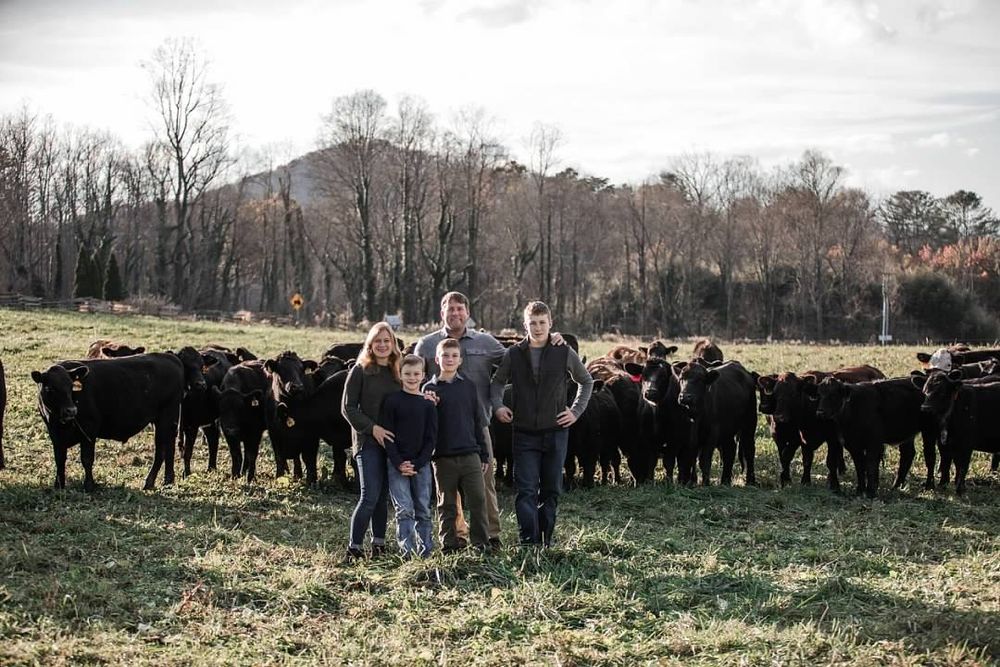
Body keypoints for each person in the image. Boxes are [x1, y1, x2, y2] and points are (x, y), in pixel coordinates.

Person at [414, 291, 568, 548]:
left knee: (483, 485)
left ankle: (490, 536)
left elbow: (517, 357)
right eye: (449, 309)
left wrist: (551, 339)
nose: (455, 313)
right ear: (441, 314)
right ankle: (455, 537)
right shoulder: (426, 345)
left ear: (468, 313)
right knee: (447, 489)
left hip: (478, 424)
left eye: (459, 309)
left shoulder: (486, 343)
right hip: (440, 429)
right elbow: (414, 380)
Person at [490, 301, 593, 547]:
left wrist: (575, 411)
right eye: (532, 323)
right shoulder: (514, 354)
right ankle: (529, 542)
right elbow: (496, 382)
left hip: (556, 432)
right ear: (525, 325)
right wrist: (498, 406)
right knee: (525, 490)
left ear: (550, 323)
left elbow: (586, 381)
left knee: (551, 490)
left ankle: (545, 540)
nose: (537, 328)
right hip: (524, 433)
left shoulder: (563, 352)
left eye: (542, 323)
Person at [341, 322, 402, 560]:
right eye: (378, 341)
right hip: (368, 442)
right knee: (369, 495)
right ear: (370, 344)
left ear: (393, 344)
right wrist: (372, 428)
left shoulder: (398, 370)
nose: (383, 345)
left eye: (387, 341)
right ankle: (354, 547)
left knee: (382, 496)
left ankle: (379, 544)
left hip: (394, 443)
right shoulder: (361, 370)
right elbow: (347, 407)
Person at [424, 338, 491, 552]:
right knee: (447, 503)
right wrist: (429, 406)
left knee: (478, 500)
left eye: (454, 356)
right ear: (437, 359)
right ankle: (449, 544)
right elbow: (425, 423)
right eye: (445, 355)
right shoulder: (429, 389)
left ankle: (480, 543)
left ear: (460, 360)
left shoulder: (468, 386)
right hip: (443, 456)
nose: (449, 359)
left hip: (470, 452)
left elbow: (477, 419)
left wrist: (483, 453)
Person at [379, 354, 438, 558]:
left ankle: (426, 551)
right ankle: (407, 552)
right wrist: (398, 462)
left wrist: (419, 462)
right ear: (400, 375)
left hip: (421, 465)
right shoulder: (392, 401)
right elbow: (388, 436)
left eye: (416, 374)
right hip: (397, 464)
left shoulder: (428, 405)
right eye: (407, 374)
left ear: (423, 376)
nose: (412, 378)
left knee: (423, 508)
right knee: (403, 509)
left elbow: (431, 439)